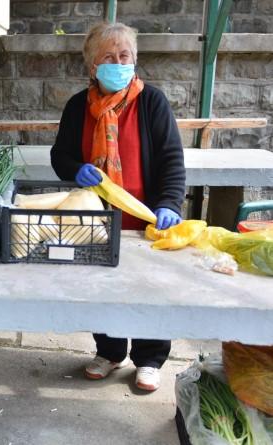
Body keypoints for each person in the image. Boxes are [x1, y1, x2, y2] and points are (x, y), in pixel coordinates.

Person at [50, 22, 186, 391]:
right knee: (99, 286)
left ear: (135, 60)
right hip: (97, 219)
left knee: (150, 288)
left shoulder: (151, 101)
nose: (118, 62)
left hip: (145, 217)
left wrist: (170, 202)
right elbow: (60, 155)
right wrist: (75, 169)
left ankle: (150, 358)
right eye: (108, 57)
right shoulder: (79, 106)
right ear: (93, 66)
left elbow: (172, 158)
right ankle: (109, 351)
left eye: (124, 55)